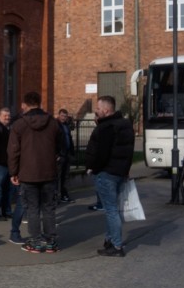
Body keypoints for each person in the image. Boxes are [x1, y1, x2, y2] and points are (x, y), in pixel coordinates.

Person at [8, 92, 62, 254]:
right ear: (40, 103)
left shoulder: (19, 125)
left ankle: (35, 242)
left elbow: (13, 151)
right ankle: (51, 241)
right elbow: (59, 146)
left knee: (32, 208)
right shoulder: (53, 123)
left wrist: (13, 172)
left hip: (28, 173)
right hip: (48, 172)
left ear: (25, 104)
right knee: (48, 208)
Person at [85, 95, 135, 257]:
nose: (96, 111)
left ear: (106, 110)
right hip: (119, 172)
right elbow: (128, 151)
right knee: (113, 210)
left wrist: (92, 167)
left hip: (107, 173)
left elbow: (101, 153)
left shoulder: (106, 128)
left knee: (111, 210)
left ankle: (116, 245)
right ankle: (110, 240)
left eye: (98, 109)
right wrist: (126, 169)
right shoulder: (125, 125)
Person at [56, 109, 75, 204]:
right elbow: (53, 141)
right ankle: (55, 196)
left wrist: (72, 153)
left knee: (65, 176)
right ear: (58, 115)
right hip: (60, 155)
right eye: (62, 115)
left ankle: (64, 195)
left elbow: (70, 139)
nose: (64, 118)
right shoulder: (56, 125)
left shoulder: (66, 126)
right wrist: (57, 154)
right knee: (57, 177)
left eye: (65, 116)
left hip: (67, 154)